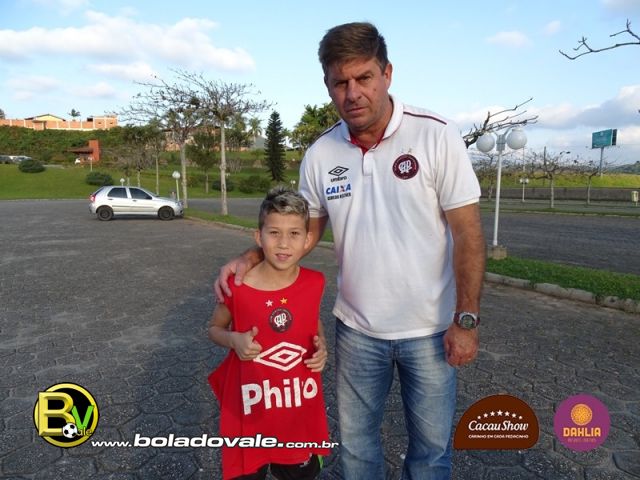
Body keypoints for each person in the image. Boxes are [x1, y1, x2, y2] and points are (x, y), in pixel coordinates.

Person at [215, 22, 485, 479]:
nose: (353, 93)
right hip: (357, 331)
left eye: (364, 78)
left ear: (387, 73)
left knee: (431, 453)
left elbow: (469, 235)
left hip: (431, 329)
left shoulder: (436, 135)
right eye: (340, 82)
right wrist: (251, 256)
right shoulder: (321, 153)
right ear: (327, 85)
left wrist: (467, 320)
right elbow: (302, 230)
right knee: (358, 451)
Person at [208, 187, 332, 480]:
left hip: (297, 411)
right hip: (250, 410)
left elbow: (313, 321)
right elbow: (214, 329)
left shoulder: (315, 282)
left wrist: (322, 347)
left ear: (308, 239)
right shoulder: (238, 287)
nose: (283, 243)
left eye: (294, 234)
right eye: (274, 233)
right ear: (258, 237)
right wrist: (233, 340)